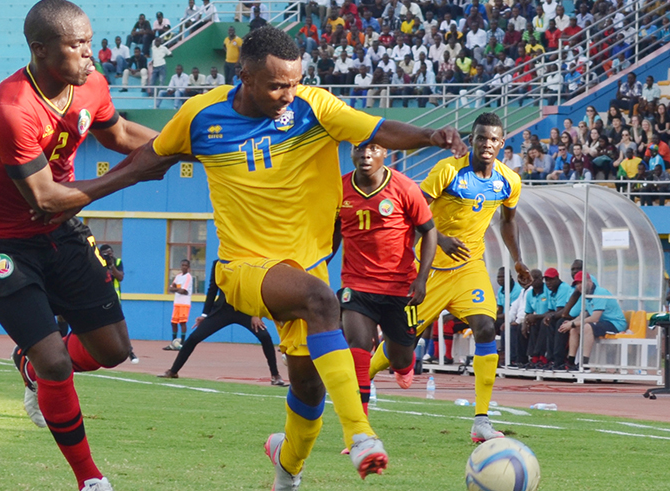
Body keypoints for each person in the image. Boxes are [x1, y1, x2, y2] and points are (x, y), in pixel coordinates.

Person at [102, 25, 466, 488]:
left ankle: (286, 469)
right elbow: (147, 161)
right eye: (277, 85)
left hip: (302, 272)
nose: (288, 94)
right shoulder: (201, 114)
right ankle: (361, 435)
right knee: (322, 299)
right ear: (245, 76)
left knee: (308, 390)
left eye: (294, 82)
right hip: (243, 267)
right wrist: (77, 195)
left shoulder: (314, 107)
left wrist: (430, 135)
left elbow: (379, 129)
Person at [0, 2, 163, 490]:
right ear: (40, 50)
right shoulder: (12, 109)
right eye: (77, 45)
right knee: (56, 360)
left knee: (112, 351)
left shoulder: (90, 84)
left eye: (90, 40)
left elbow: (122, 134)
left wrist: (192, 146)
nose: (92, 54)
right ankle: (90, 480)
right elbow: (45, 198)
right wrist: (131, 174)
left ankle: (28, 366)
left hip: (59, 231)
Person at [370, 112, 529, 443]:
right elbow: (415, 213)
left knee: (486, 327)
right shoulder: (447, 171)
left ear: (502, 144)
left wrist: (518, 261)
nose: (487, 144)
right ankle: (360, 381)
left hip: (469, 268)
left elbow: (508, 221)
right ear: (472, 140)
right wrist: (439, 239)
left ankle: (481, 421)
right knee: (402, 347)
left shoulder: (509, 181)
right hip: (427, 268)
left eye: (493, 139)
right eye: (481, 137)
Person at [337, 142, 437, 418]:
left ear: (385, 153)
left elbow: (429, 231)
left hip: (399, 288)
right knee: (358, 347)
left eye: (373, 148)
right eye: (359, 148)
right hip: (356, 285)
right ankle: (360, 427)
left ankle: (405, 365)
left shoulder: (405, 188)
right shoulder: (339, 188)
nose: (365, 153)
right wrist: (318, 269)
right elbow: (333, 233)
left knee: (400, 357)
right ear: (352, 153)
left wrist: (422, 278)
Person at [159, 260, 287, 386]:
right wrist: (204, 315)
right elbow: (212, 289)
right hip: (222, 310)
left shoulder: (246, 262)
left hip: (245, 309)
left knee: (265, 337)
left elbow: (254, 289)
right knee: (194, 337)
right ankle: (173, 371)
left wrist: (256, 314)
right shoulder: (218, 264)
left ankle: (275, 376)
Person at [558, 271, 626, 371]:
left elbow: (595, 318)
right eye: (577, 284)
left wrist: (572, 323)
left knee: (587, 327)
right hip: (602, 323)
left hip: (615, 323)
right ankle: (571, 362)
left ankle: (584, 364)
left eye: (581, 282)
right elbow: (582, 315)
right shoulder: (585, 295)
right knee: (574, 329)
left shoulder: (600, 293)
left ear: (589, 281)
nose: (579, 286)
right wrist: (570, 324)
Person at [99, 244, 137, 363]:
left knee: (119, 326)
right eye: (106, 253)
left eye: (110, 252)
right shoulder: (97, 262)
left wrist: (111, 265)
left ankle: (129, 351)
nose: (109, 255)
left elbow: (120, 277)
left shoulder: (118, 262)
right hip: (99, 299)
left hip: (115, 299)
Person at [166, 259, 193, 349]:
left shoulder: (188, 277)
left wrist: (177, 289)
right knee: (173, 323)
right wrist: (179, 289)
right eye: (182, 265)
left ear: (188, 267)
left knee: (182, 322)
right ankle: (173, 343)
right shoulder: (178, 276)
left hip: (184, 303)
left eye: (186, 265)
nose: (184, 267)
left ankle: (182, 343)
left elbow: (184, 291)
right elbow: (170, 288)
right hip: (177, 302)